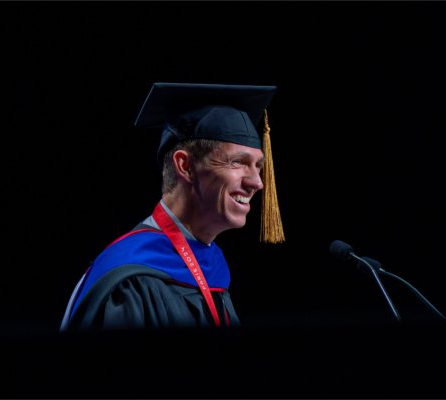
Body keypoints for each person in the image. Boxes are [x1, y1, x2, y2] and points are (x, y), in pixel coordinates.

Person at [60, 82, 284, 331]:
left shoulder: (212, 271)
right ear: (186, 166)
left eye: (258, 166)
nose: (257, 182)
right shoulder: (130, 281)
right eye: (238, 162)